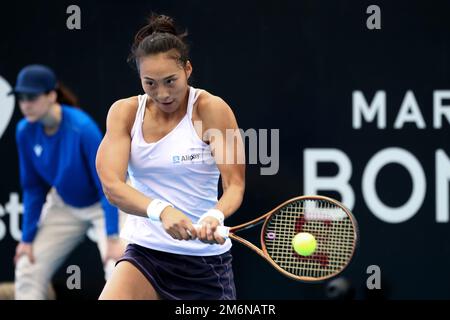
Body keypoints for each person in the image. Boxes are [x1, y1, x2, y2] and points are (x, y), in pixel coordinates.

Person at [96, 13, 246, 300]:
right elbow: (112, 187)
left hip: (204, 264)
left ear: (188, 69)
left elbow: (235, 185)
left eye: (170, 81)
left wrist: (215, 214)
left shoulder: (211, 110)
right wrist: (161, 211)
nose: (162, 93)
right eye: (149, 83)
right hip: (144, 255)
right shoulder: (124, 113)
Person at [11, 64, 125, 299]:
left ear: (52, 95)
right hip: (64, 205)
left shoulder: (81, 128)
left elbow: (107, 185)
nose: (25, 104)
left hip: (106, 202)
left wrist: (113, 237)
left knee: (119, 267)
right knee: (27, 265)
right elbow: (33, 188)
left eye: (32, 96)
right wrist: (27, 239)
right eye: (21, 97)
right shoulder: (24, 131)